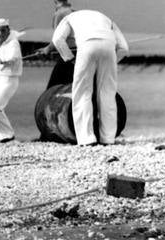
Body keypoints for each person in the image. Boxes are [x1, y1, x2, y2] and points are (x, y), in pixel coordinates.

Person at [52, 10, 129, 146]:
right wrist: (111, 63)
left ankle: (87, 139)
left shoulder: (69, 18)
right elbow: (124, 48)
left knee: (82, 93)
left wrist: (69, 58)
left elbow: (57, 39)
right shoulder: (106, 18)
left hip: (87, 46)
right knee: (107, 94)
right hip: (109, 47)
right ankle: (108, 139)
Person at [37, 0, 76, 87]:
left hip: (67, 56)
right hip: (79, 53)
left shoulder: (59, 13)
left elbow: (57, 39)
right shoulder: (74, 11)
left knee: (51, 90)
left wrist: (47, 49)